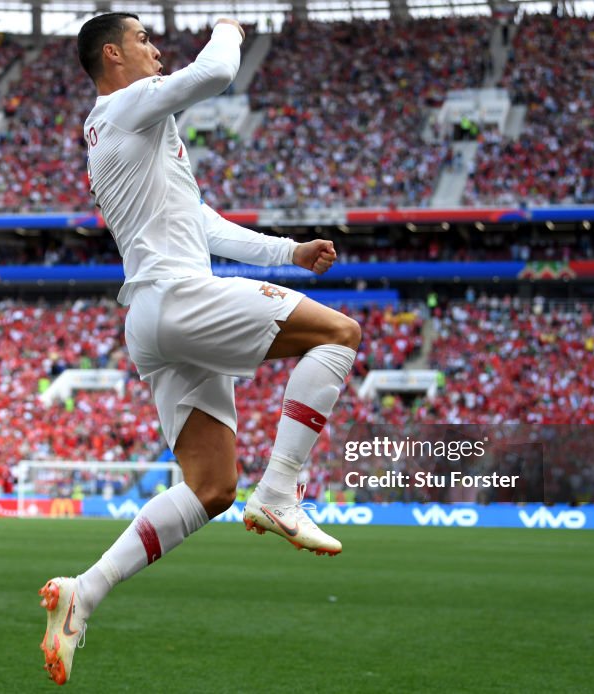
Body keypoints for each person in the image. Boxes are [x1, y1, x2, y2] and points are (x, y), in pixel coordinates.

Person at [38, 13, 361, 686]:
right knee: (340, 334)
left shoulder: (128, 127)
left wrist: (288, 252)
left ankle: (84, 593)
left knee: (210, 489)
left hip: (153, 316)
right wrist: (228, 26)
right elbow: (216, 71)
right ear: (112, 54)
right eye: (143, 39)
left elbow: (200, 224)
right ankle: (281, 493)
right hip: (180, 298)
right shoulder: (126, 104)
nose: (156, 49)